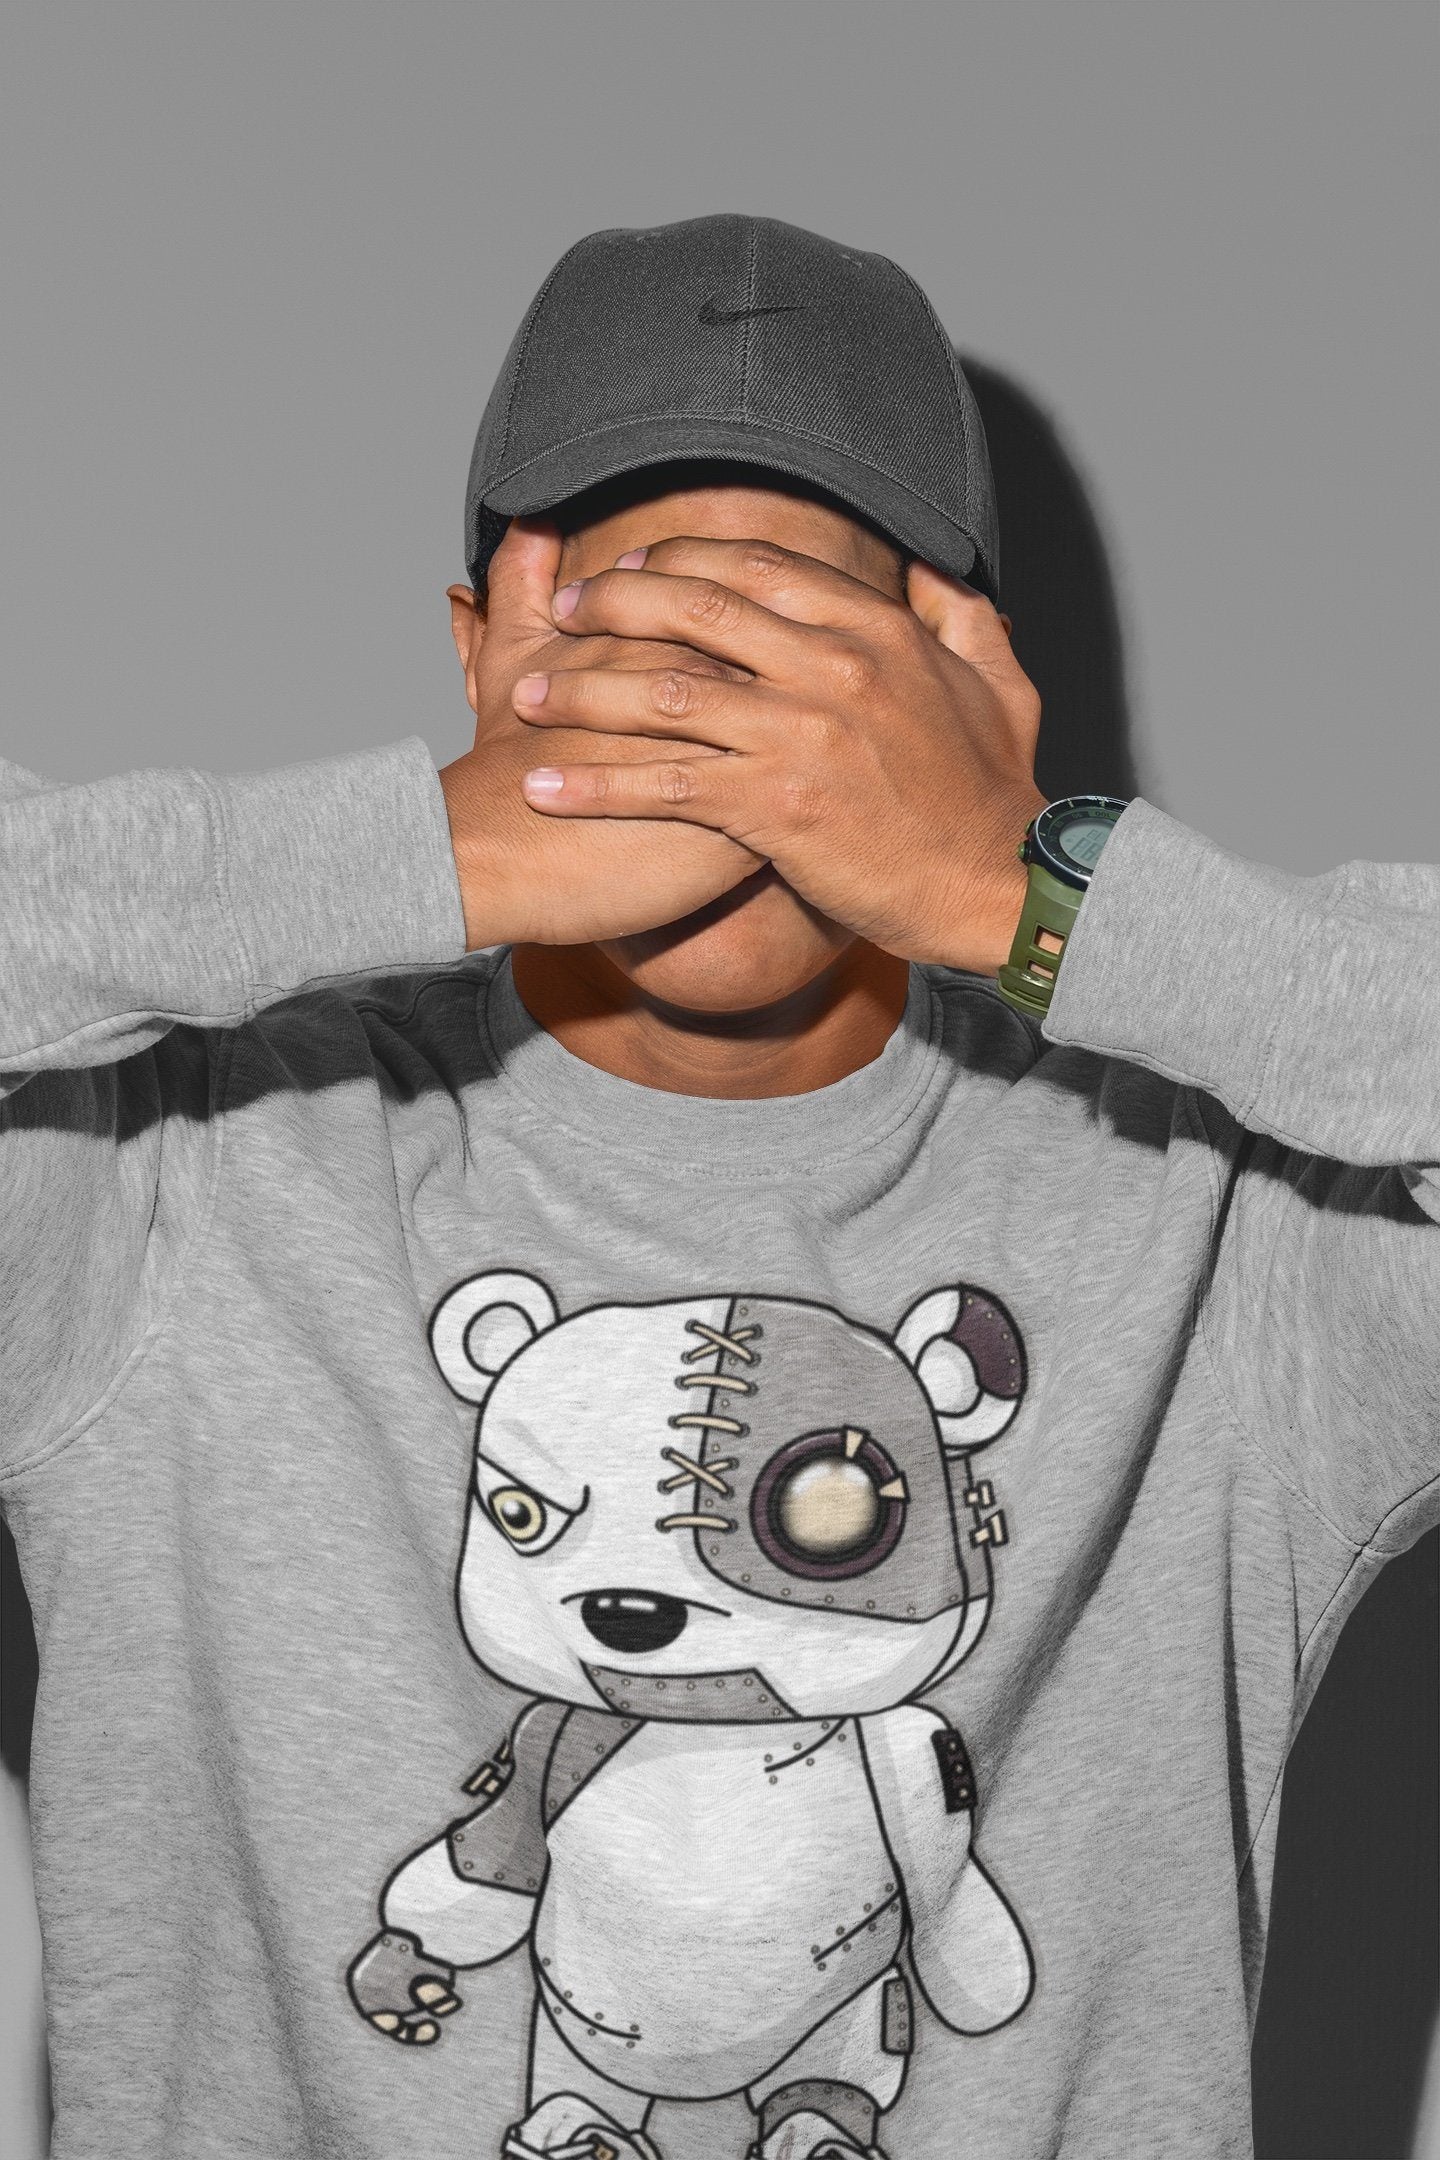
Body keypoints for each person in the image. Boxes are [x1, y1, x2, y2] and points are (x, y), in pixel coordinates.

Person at [0, 211, 1434, 2160]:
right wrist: (429, 854)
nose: (722, 739)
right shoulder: (171, 1177)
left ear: (969, 690)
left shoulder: (1226, 1223)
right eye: (643, 641)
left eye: (807, 658)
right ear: (486, 651)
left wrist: (1032, 893)